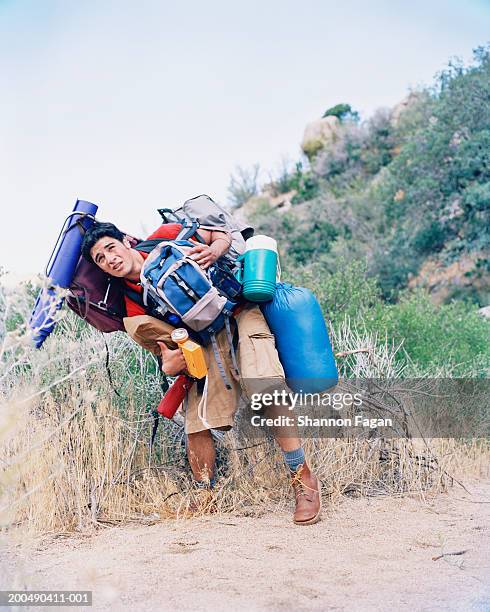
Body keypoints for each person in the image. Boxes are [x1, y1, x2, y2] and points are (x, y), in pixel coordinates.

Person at [81, 220, 322, 525]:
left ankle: (302, 479)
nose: (110, 259)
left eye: (110, 248)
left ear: (125, 242)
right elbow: (164, 353)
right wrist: (169, 363)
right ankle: (204, 495)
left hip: (240, 312)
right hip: (203, 339)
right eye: (101, 259)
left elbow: (218, 233)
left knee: (267, 388)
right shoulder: (131, 307)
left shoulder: (167, 236)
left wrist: (215, 248)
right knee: (196, 419)